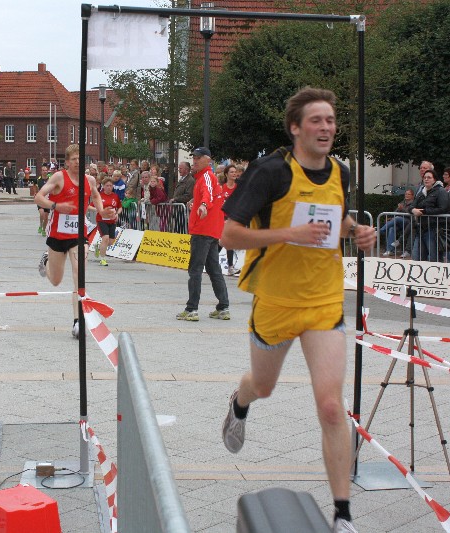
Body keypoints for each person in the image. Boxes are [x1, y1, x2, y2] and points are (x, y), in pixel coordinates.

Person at [220, 87, 377, 533]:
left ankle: (343, 515)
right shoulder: (270, 171)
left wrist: (357, 231)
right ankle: (240, 402)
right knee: (263, 386)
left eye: (330, 120)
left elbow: (335, 219)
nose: (326, 128)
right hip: (275, 300)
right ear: (295, 128)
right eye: (316, 121)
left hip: (324, 300)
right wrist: (288, 234)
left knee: (331, 407)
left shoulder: (341, 172)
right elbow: (229, 234)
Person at [35, 144, 114, 339]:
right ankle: (46, 261)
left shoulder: (90, 180)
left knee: (79, 276)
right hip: (57, 235)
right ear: (67, 162)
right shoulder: (59, 177)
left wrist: (101, 210)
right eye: (74, 159)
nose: (78, 162)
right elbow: (38, 197)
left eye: (81, 159)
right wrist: (56, 206)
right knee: (56, 281)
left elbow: (95, 195)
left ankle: (78, 321)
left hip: (78, 235)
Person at [175, 146, 229, 322]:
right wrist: (197, 202)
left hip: (202, 230)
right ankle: (223, 307)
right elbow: (210, 195)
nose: (195, 160)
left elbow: (208, 195)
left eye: (199, 157)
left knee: (195, 270)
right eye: (194, 157)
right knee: (214, 270)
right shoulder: (206, 178)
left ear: (208, 160)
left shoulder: (206, 176)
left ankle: (192, 309)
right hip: (211, 231)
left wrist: (204, 205)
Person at [411, 169, 449, 262]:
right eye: (425, 177)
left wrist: (424, 212)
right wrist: (413, 210)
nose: (426, 179)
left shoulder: (440, 191)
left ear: (434, 179)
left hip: (434, 229)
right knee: (417, 257)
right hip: (420, 229)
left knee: (433, 257)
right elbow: (412, 205)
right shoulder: (421, 192)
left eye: (429, 177)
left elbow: (443, 208)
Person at [380, 189, 414, 257]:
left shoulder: (414, 203)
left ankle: (381, 230)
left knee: (397, 218)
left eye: (408, 194)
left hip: (408, 222)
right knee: (392, 228)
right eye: (406, 194)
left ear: (412, 196)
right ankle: (390, 250)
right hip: (399, 222)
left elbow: (410, 213)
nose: (406, 195)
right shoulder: (403, 202)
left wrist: (402, 209)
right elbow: (395, 212)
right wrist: (391, 217)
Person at [96, 178, 122, 266]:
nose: (109, 187)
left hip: (112, 221)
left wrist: (117, 214)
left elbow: (120, 207)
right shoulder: (99, 196)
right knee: (105, 238)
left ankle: (99, 247)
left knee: (110, 242)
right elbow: (90, 206)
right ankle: (102, 259)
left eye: (111, 186)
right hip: (101, 220)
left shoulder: (115, 196)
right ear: (103, 186)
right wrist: (100, 210)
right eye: (107, 185)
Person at [219, 164, 240, 275]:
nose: (234, 174)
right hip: (223, 217)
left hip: (233, 217)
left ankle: (209, 262)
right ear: (226, 174)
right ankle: (230, 267)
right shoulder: (222, 188)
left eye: (235, 172)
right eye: (231, 172)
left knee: (225, 241)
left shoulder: (238, 188)